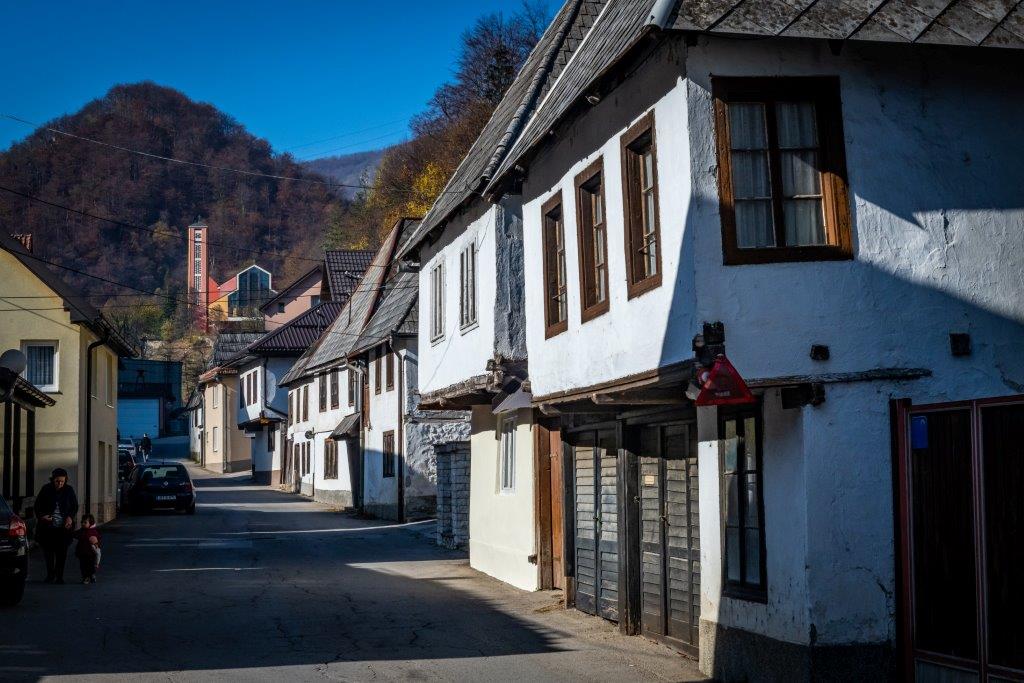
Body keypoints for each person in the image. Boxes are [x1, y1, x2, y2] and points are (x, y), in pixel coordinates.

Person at [34, 468, 79, 584]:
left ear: (65, 481)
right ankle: (50, 575)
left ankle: (59, 576)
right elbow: (37, 506)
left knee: (61, 553)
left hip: (63, 528)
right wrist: (42, 516)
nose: (60, 484)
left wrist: (70, 517)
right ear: (52, 480)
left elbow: (74, 506)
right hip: (48, 528)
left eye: (62, 482)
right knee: (48, 553)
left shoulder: (69, 490)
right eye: (57, 481)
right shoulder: (46, 489)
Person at [75, 514, 101, 584]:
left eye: (85, 522)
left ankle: (90, 576)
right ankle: (86, 577)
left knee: (90, 566)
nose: (83, 524)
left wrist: (96, 543)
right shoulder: (81, 530)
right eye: (82, 522)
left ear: (90, 523)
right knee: (83, 566)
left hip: (90, 553)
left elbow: (97, 541)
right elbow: (76, 535)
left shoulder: (93, 531)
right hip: (82, 553)